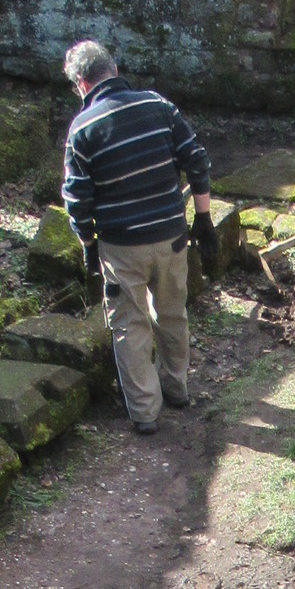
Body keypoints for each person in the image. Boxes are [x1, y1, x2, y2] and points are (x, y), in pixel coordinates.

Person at [60, 39, 217, 435]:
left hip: (121, 246)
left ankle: (146, 412)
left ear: (81, 84)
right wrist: (204, 219)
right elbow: (196, 160)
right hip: (171, 237)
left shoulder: (82, 129)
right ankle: (177, 387)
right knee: (172, 312)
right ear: (114, 69)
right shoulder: (158, 106)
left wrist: (88, 245)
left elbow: (77, 200)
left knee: (130, 324)